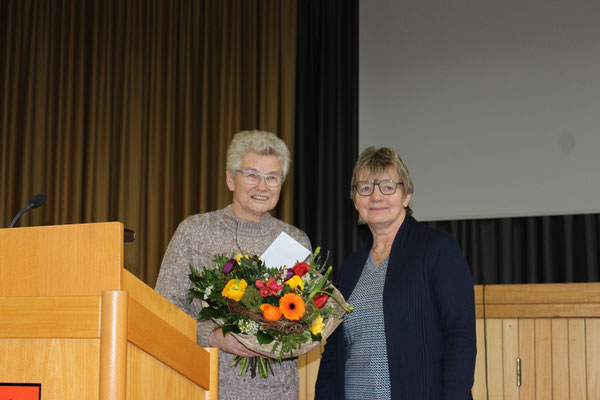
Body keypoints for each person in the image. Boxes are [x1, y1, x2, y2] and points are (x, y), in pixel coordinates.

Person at [155, 130, 311, 400]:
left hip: (278, 393)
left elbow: (308, 320)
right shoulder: (194, 232)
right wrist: (213, 336)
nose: (262, 187)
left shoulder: (296, 241)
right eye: (251, 175)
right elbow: (165, 308)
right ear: (230, 178)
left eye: (272, 177)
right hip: (205, 387)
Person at [315, 147, 476, 400]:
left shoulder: (437, 249)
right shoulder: (350, 268)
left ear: (406, 195)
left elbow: (461, 335)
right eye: (365, 188)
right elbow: (333, 351)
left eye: (388, 186)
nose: (376, 196)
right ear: (355, 200)